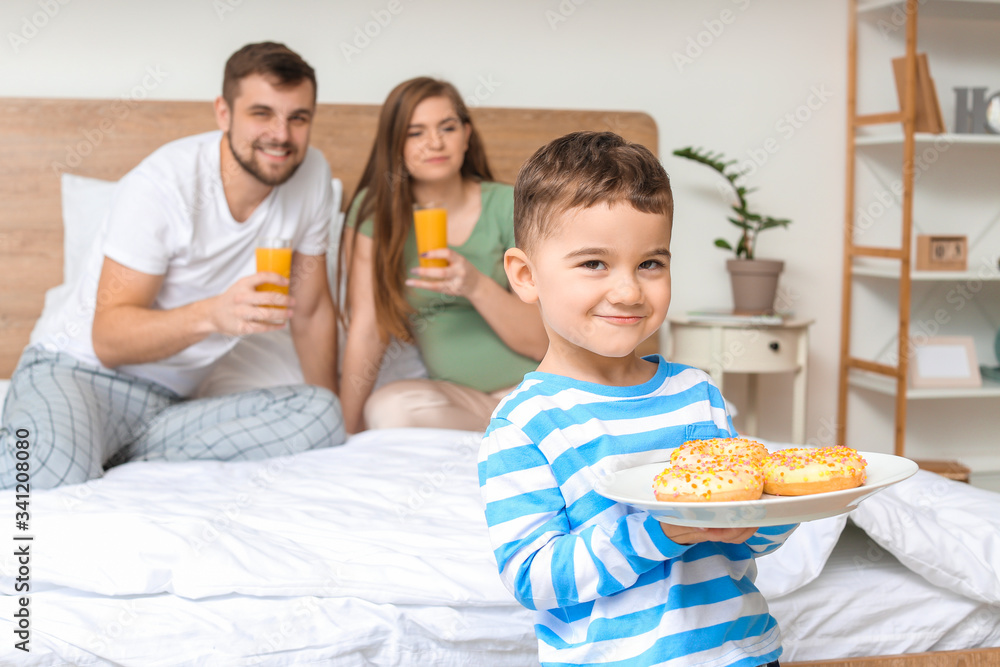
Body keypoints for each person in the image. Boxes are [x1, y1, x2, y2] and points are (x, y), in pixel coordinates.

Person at [479, 131, 796, 667]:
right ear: (526, 275)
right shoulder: (524, 424)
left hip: (743, 654)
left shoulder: (697, 393)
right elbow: (536, 579)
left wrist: (771, 513)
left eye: (650, 263)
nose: (628, 291)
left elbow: (749, 542)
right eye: (594, 264)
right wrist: (660, 531)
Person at [0, 42, 344, 490]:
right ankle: (72, 445)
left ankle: (98, 449)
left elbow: (314, 311)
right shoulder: (162, 186)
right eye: (262, 113)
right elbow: (108, 340)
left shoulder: (311, 174)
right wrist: (212, 314)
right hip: (78, 373)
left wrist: (341, 422)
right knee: (51, 469)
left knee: (321, 414)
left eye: (298, 118)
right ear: (224, 112)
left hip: (169, 407)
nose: (281, 134)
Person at [339, 76, 546, 433]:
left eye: (447, 128)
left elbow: (541, 341)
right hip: (461, 403)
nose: (434, 142)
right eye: (415, 132)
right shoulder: (377, 217)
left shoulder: (508, 205)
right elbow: (367, 329)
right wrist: (343, 431)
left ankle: (520, 430)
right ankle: (506, 434)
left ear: (466, 135)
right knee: (387, 410)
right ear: (395, 145)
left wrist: (474, 285)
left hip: (531, 390)